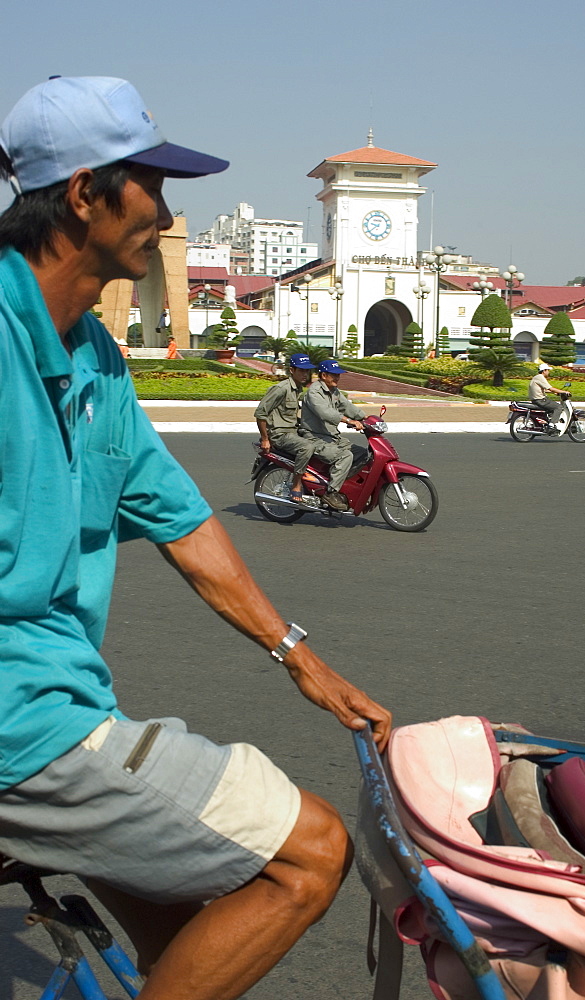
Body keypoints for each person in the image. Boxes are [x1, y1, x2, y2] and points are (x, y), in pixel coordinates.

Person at [0, 75, 391, 1000]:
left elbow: (177, 516)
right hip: (24, 726)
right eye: (153, 186)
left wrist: (298, 655)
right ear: (88, 193)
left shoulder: (93, 355)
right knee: (310, 855)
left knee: (186, 945)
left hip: (64, 701)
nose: (167, 213)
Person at [301, 359, 366, 510]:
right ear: (323, 375)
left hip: (331, 437)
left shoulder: (334, 391)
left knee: (362, 454)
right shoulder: (314, 392)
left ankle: (339, 482)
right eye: (334, 375)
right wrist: (349, 421)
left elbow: (347, 406)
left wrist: (366, 418)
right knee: (345, 456)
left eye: (338, 375)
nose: (337, 378)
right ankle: (331, 493)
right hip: (314, 438)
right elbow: (326, 413)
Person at [254, 352, 319, 501]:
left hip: (292, 432)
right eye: (301, 370)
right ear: (292, 370)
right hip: (280, 435)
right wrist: (265, 439)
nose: (305, 374)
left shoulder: (297, 388)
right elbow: (260, 414)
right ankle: (296, 485)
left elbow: (290, 416)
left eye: (307, 371)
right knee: (306, 448)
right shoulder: (281, 388)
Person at [528, 362, 564, 432]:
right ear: (544, 371)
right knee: (559, 407)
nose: (548, 372)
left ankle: (547, 423)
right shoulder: (541, 377)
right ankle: (551, 425)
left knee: (552, 409)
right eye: (548, 370)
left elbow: (544, 390)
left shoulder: (536, 377)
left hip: (536, 400)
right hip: (541, 400)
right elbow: (550, 388)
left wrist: (555, 392)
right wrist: (563, 392)